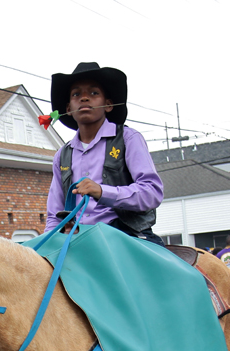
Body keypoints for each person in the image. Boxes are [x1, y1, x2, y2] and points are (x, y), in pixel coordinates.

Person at [43, 62, 164, 244]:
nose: (84, 98)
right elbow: (54, 215)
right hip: (77, 240)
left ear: (108, 105)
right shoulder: (62, 155)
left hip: (126, 237)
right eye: (76, 94)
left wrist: (102, 191)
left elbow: (152, 192)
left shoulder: (128, 139)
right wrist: (48, 243)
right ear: (68, 109)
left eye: (94, 93)